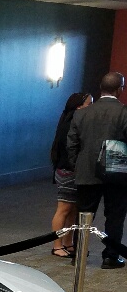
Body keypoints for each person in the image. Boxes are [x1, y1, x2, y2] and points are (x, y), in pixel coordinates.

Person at [68, 71, 127, 269]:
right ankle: (111, 257)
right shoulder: (124, 112)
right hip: (117, 173)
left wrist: (77, 165)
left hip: (86, 171)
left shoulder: (81, 113)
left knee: (84, 216)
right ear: (120, 89)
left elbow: (72, 144)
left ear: (101, 88)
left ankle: (79, 255)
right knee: (115, 217)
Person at [49, 92, 92, 257]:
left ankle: (68, 242)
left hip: (69, 170)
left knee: (72, 209)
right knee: (64, 209)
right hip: (68, 171)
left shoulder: (70, 122)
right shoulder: (71, 124)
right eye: (89, 104)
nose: (91, 108)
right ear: (79, 107)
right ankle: (57, 245)